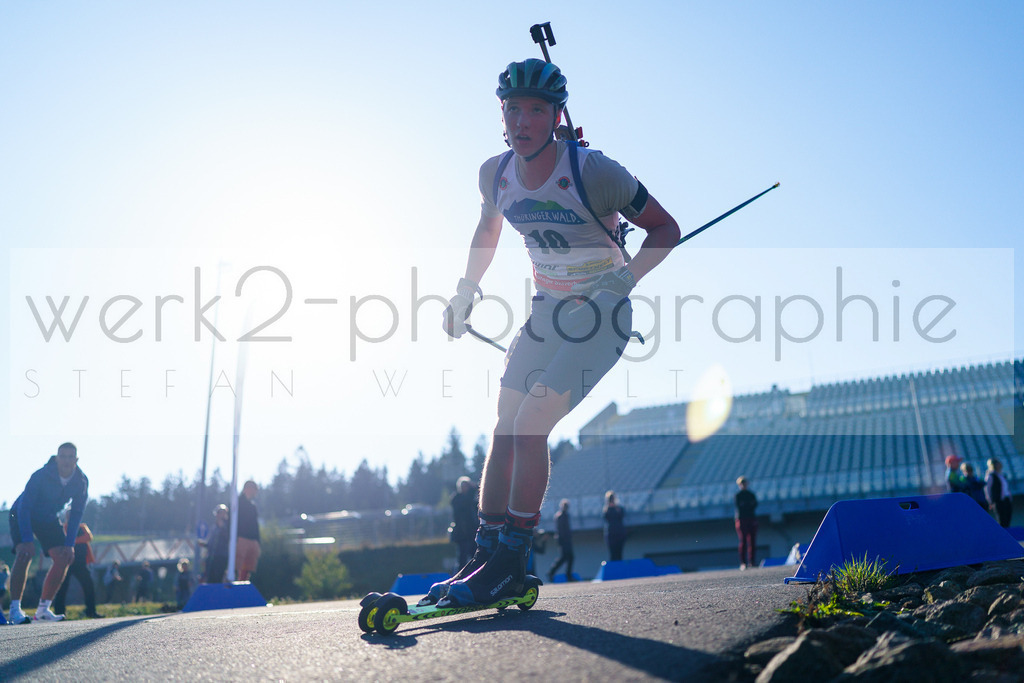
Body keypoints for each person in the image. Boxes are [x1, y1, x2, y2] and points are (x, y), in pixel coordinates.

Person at [432, 57, 679, 608]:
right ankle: (487, 553)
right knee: (503, 429)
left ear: (555, 114)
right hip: (547, 310)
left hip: (602, 313)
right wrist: (464, 291)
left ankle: (513, 559)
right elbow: (488, 227)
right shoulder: (494, 174)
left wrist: (625, 278)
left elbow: (666, 228)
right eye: (512, 108)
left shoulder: (594, 171)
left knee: (530, 421)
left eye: (535, 110)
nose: (522, 121)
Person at [6, 442, 89, 623]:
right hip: (21, 513)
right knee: (24, 554)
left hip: (48, 518)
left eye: (70, 457)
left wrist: (69, 544)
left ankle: (43, 610)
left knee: (65, 557)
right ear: (57, 458)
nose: (66, 460)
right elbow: (25, 507)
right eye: (63, 456)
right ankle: (14, 610)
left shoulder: (81, 481)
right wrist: (27, 539)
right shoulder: (41, 475)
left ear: (76, 459)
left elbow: (76, 513)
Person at [53, 522, 102, 618]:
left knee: (88, 586)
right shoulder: (63, 527)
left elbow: (88, 537)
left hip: (81, 563)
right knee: (62, 587)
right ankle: (59, 612)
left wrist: (71, 541)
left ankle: (91, 611)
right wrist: (75, 541)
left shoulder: (82, 527)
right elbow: (61, 541)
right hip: (67, 562)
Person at [449, 476, 479, 569]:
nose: (465, 488)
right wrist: (473, 489)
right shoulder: (457, 499)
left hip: (472, 532)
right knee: (462, 557)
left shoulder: (473, 501)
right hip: (462, 533)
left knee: (475, 555)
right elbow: (465, 504)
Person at [236, 481, 261, 582]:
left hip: (252, 539)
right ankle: (235, 585)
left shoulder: (253, 506)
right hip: (241, 538)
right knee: (237, 565)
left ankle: (243, 584)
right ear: (247, 489)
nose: (255, 492)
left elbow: (255, 525)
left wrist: (258, 540)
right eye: (253, 489)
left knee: (248, 567)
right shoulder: (237, 503)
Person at [546, 499, 575, 582]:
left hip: (566, 540)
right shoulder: (560, 516)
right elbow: (561, 530)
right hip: (563, 540)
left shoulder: (565, 515)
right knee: (565, 557)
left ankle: (563, 574)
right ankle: (552, 572)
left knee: (568, 557)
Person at [735, 476, 758, 570]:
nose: (743, 485)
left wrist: (746, 505)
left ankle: (752, 561)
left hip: (751, 518)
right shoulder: (738, 495)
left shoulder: (751, 494)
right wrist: (748, 505)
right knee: (743, 540)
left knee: (752, 540)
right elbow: (740, 506)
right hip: (742, 519)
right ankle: (743, 562)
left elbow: (755, 504)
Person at [202, 504, 230, 583]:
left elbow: (228, 538)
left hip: (221, 556)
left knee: (219, 577)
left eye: (223, 512)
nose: (220, 515)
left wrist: (223, 528)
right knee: (210, 578)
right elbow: (211, 543)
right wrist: (204, 544)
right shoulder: (214, 527)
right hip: (211, 557)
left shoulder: (228, 526)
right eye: (219, 513)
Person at [985, 458, 1013, 528]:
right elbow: (988, 489)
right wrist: (990, 501)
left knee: (1008, 518)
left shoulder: (1002, 475)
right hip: (998, 500)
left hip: (1006, 499)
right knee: (1001, 519)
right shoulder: (991, 475)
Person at [603, 490, 627, 562]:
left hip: (619, 533)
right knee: (613, 554)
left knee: (619, 554)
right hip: (611, 534)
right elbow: (606, 517)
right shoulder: (607, 509)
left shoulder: (619, 508)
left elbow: (622, 515)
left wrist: (616, 508)